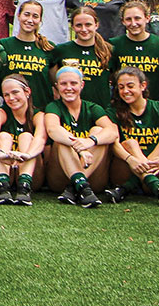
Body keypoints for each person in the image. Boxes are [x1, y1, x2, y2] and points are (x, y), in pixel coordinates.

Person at [108, 67, 159, 207]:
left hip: (158, 170)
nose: (125, 91)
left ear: (143, 86)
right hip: (125, 170)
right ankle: (158, 190)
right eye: (121, 87)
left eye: (130, 86)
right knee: (130, 143)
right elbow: (114, 144)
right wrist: (131, 160)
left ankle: (130, 186)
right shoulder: (113, 111)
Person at [43, 66, 117, 208]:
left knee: (98, 131)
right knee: (62, 141)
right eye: (63, 84)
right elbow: (53, 129)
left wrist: (90, 142)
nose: (68, 88)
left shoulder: (93, 108)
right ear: (57, 86)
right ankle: (81, 186)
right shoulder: (54, 107)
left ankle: (77, 185)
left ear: (82, 85)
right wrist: (79, 147)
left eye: (73, 83)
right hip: (60, 177)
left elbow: (112, 132)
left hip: (92, 174)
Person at [0, 74, 44, 205]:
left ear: (27, 91)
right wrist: (0, 154)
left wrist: (27, 155)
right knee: (3, 136)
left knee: (26, 137)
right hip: (4, 168)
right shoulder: (0, 113)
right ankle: (3, 187)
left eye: (15, 92)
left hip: (31, 171)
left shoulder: (38, 115)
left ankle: (24, 187)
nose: (11, 98)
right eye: (6, 95)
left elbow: (41, 139)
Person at [51, 5, 115, 110]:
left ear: (96, 25)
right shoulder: (61, 50)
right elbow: (53, 79)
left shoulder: (108, 51)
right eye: (79, 25)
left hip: (101, 109)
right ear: (72, 26)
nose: (84, 29)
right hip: (68, 110)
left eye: (88, 25)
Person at [0, 0, 55, 111]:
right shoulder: (5, 44)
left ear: (40, 20)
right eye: (26, 14)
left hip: (41, 109)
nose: (30, 20)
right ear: (18, 16)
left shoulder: (47, 47)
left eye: (35, 16)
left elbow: (54, 82)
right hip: (12, 110)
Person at [110, 0, 159, 102]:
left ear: (147, 18)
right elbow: (112, 76)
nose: (133, 23)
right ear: (123, 21)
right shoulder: (115, 44)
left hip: (153, 102)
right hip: (124, 102)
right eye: (128, 19)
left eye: (137, 18)